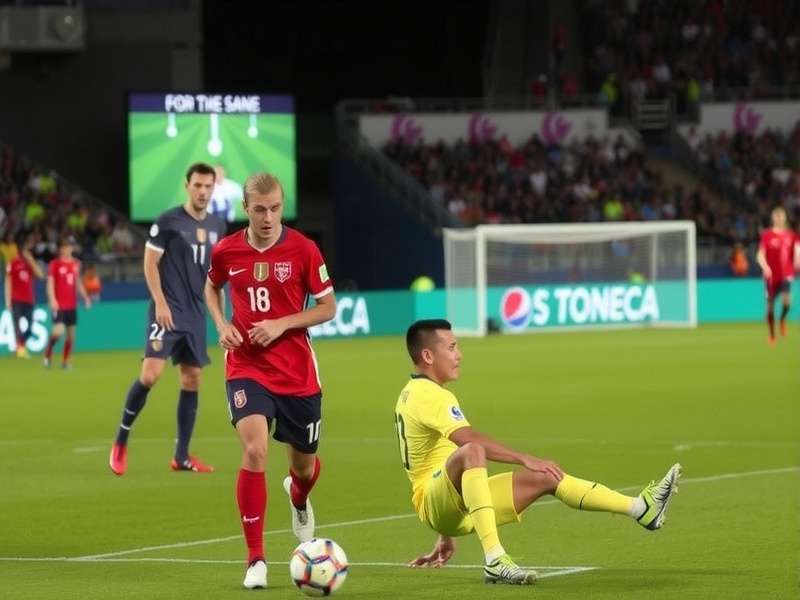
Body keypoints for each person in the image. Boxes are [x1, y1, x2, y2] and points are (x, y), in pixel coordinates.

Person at [396, 319, 681, 585]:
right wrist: (524, 458)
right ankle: (495, 559)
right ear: (428, 356)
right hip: (433, 501)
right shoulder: (427, 394)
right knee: (472, 450)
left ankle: (641, 509)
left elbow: (437, 460)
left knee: (547, 477)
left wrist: (445, 534)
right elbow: (465, 441)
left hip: (448, 502)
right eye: (452, 347)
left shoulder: (420, 391)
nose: (459, 355)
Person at [204, 172, 336, 590]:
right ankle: (255, 559)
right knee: (256, 449)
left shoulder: (304, 249)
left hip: (297, 373)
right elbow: (211, 287)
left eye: (275, 208)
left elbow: (328, 307)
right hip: (245, 366)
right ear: (246, 208)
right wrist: (222, 323)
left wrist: (282, 324)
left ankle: (298, 497)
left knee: (304, 467)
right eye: (260, 209)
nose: (268, 216)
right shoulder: (226, 250)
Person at [108, 163, 226, 476]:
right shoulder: (169, 220)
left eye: (207, 186)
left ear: (213, 188)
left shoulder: (218, 225)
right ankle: (121, 440)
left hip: (195, 314)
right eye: (197, 185)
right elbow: (149, 263)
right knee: (151, 374)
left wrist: (220, 320)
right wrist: (160, 301)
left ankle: (182, 456)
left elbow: (217, 278)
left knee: (192, 378)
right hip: (167, 310)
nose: (202, 191)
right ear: (187, 185)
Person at [43, 236, 91, 369]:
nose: (67, 249)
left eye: (69, 246)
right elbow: (50, 283)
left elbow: (78, 283)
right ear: (60, 249)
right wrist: (52, 299)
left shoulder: (76, 264)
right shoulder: (55, 264)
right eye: (64, 247)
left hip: (72, 305)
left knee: (71, 337)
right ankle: (48, 353)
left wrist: (85, 297)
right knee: (58, 332)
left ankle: (65, 361)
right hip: (59, 305)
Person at [756, 206, 799, 343]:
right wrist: (765, 266)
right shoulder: (767, 235)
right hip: (771, 277)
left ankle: (782, 319)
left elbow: (798, 250)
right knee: (770, 307)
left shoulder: (791, 235)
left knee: (787, 302)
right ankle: (772, 335)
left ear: (785, 218)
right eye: (777, 216)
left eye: (781, 216)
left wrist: (797, 260)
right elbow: (760, 255)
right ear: (773, 218)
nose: (779, 218)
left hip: (786, 274)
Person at [4, 231, 45, 358]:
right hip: (16, 299)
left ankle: (20, 345)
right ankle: (20, 349)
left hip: (29, 299)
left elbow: (41, 275)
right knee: (16, 326)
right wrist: (7, 300)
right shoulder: (13, 263)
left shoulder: (30, 264)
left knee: (31, 326)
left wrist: (31, 260)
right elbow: (8, 282)